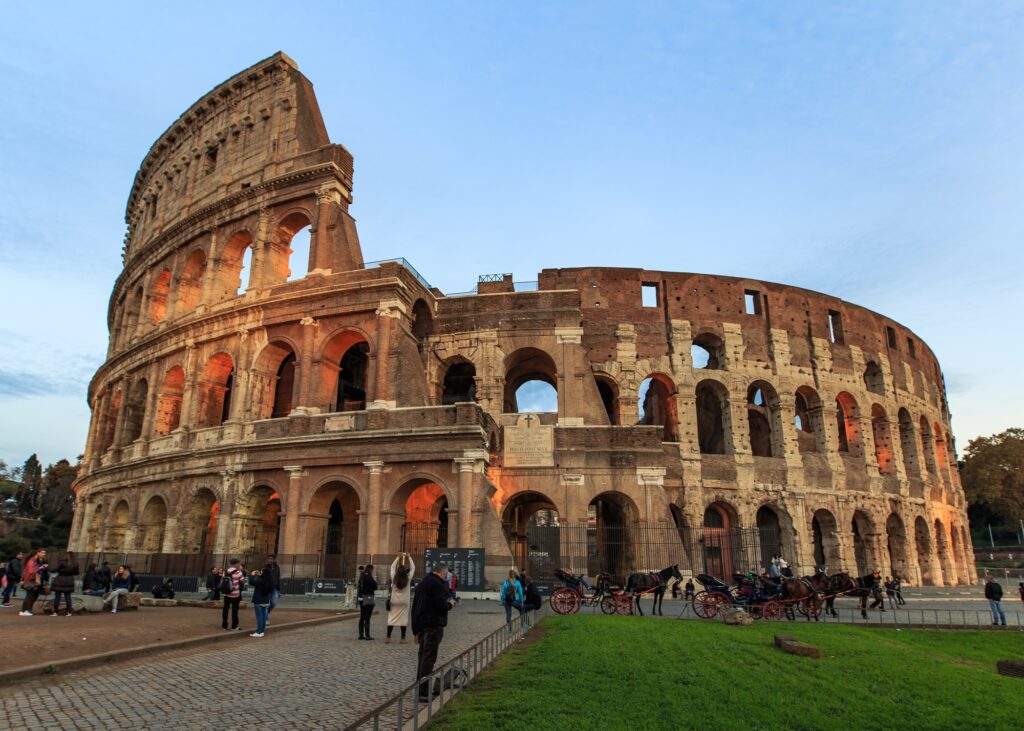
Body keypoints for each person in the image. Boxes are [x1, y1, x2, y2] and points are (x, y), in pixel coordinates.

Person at [411, 561, 456, 701]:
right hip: (433, 626)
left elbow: (416, 607)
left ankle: (420, 688)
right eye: (446, 574)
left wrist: (416, 630)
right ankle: (423, 693)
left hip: (423, 625)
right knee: (429, 659)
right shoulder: (438, 584)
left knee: (423, 658)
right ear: (442, 573)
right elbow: (440, 606)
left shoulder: (424, 582)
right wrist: (450, 604)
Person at [386, 552, 414, 644]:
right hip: (405, 602)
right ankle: (403, 638)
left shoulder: (394, 578)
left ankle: (388, 637)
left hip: (394, 601)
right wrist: (409, 558)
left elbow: (392, 568)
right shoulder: (408, 579)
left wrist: (397, 557)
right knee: (403, 619)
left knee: (391, 618)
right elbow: (413, 568)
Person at [19, 548, 46, 616]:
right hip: (30, 580)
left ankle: (23, 611)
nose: (44, 554)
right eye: (42, 553)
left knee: (29, 596)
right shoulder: (32, 561)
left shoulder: (32, 560)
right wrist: (40, 568)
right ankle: (26, 610)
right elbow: (31, 571)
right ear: (37, 553)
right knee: (30, 596)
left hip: (28, 580)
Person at [248, 567, 273, 638]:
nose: (261, 573)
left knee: (259, 617)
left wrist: (252, 575)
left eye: (262, 572)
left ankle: (258, 631)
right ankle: (262, 631)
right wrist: (259, 575)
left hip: (259, 600)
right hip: (266, 600)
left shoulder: (260, 580)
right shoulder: (270, 581)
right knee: (264, 616)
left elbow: (252, 582)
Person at [221, 559, 245, 631]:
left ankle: (224, 626)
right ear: (236, 564)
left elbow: (223, 580)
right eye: (238, 564)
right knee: (234, 610)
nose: (239, 565)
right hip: (235, 594)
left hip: (226, 594)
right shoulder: (238, 572)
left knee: (225, 609)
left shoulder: (225, 571)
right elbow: (242, 581)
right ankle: (234, 626)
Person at [357, 564, 378, 640]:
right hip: (368, 598)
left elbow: (359, 587)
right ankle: (367, 635)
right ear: (371, 570)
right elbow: (375, 586)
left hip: (361, 599)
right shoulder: (369, 577)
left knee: (362, 616)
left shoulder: (361, 577)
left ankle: (361, 634)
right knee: (367, 617)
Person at [264, 555, 282, 622]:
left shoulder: (277, 567)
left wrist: (279, 589)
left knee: (273, 603)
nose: (270, 560)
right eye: (269, 559)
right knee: (266, 603)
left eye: (271, 559)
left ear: (274, 560)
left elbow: (278, 577)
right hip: (267, 587)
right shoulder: (265, 567)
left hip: (275, 587)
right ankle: (265, 618)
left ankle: (265, 614)